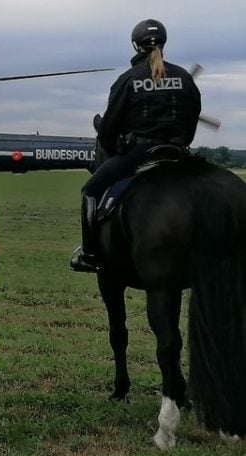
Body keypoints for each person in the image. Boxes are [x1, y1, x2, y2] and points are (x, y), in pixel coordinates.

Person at [69, 18, 201, 273]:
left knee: (90, 190)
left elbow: (108, 129)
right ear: (163, 43)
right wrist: (182, 143)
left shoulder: (128, 79)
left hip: (138, 154)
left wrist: (117, 148)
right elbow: (193, 116)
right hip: (177, 154)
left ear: (135, 46)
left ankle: (90, 254)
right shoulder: (184, 77)